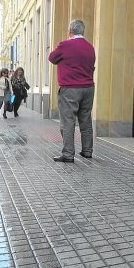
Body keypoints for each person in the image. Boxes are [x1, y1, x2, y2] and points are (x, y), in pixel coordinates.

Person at [48, 19, 96, 163]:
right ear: (83, 31)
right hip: (88, 88)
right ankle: (87, 151)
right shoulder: (90, 47)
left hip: (70, 88)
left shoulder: (65, 45)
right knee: (85, 120)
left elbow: (52, 58)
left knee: (68, 121)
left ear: (70, 31)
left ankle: (68, 154)